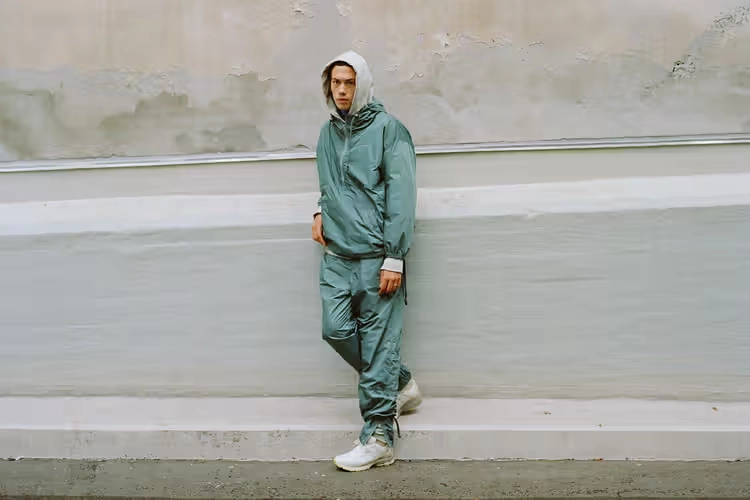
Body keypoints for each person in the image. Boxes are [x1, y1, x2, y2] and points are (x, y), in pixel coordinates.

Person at [311, 50, 422, 472]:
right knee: (335, 330)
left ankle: (379, 437)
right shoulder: (327, 133)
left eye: (349, 82)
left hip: (377, 257)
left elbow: (402, 193)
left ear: (363, 85)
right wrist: (319, 211)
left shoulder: (389, 130)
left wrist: (395, 256)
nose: (341, 90)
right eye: (336, 83)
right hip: (337, 255)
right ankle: (401, 383)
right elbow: (330, 183)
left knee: (377, 347)